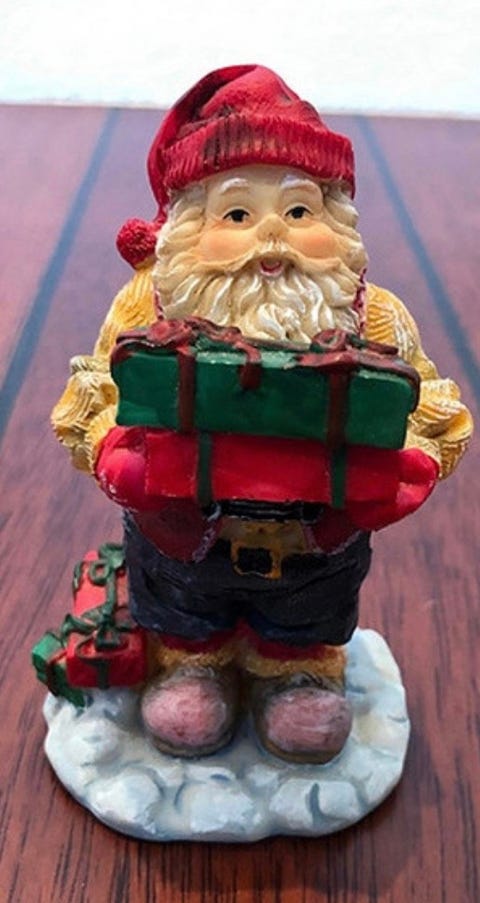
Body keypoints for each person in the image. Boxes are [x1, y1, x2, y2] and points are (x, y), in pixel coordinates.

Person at [52, 65, 472, 764]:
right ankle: (192, 663)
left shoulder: (373, 317)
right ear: (188, 227)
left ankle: (297, 672)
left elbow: (432, 400)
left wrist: (414, 461)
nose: (271, 235)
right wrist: (110, 450)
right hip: (187, 534)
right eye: (238, 215)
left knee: (304, 621)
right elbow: (92, 388)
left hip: (314, 540)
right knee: (185, 618)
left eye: (299, 212)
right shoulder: (148, 307)